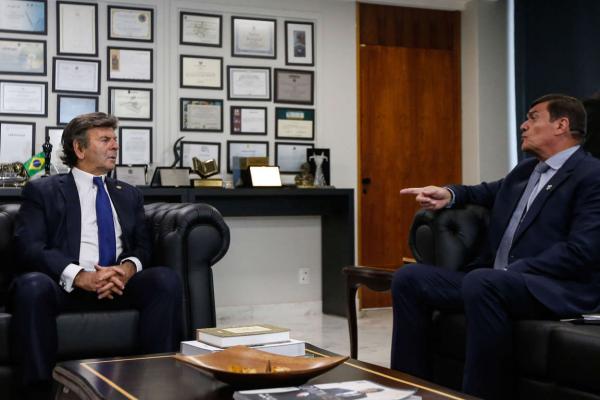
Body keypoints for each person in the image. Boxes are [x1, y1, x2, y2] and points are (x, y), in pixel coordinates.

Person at [393, 94, 600, 400]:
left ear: (562, 125)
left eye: (532, 117)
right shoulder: (525, 172)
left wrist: (514, 271)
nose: (523, 125)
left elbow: (583, 249)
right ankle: (410, 390)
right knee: (409, 279)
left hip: (551, 286)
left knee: (484, 282)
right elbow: (483, 192)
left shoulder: (591, 175)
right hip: (496, 281)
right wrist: (448, 194)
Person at [9, 112, 183, 399]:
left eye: (114, 139)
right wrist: (81, 276)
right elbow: (29, 246)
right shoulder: (43, 191)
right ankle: (38, 391)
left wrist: (126, 269)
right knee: (31, 287)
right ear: (79, 149)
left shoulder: (128, 194)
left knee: (165, 281)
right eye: (105, 140)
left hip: (116, 284)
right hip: (63, 286)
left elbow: (142, 248)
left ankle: (156, 384)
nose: (115, 146)